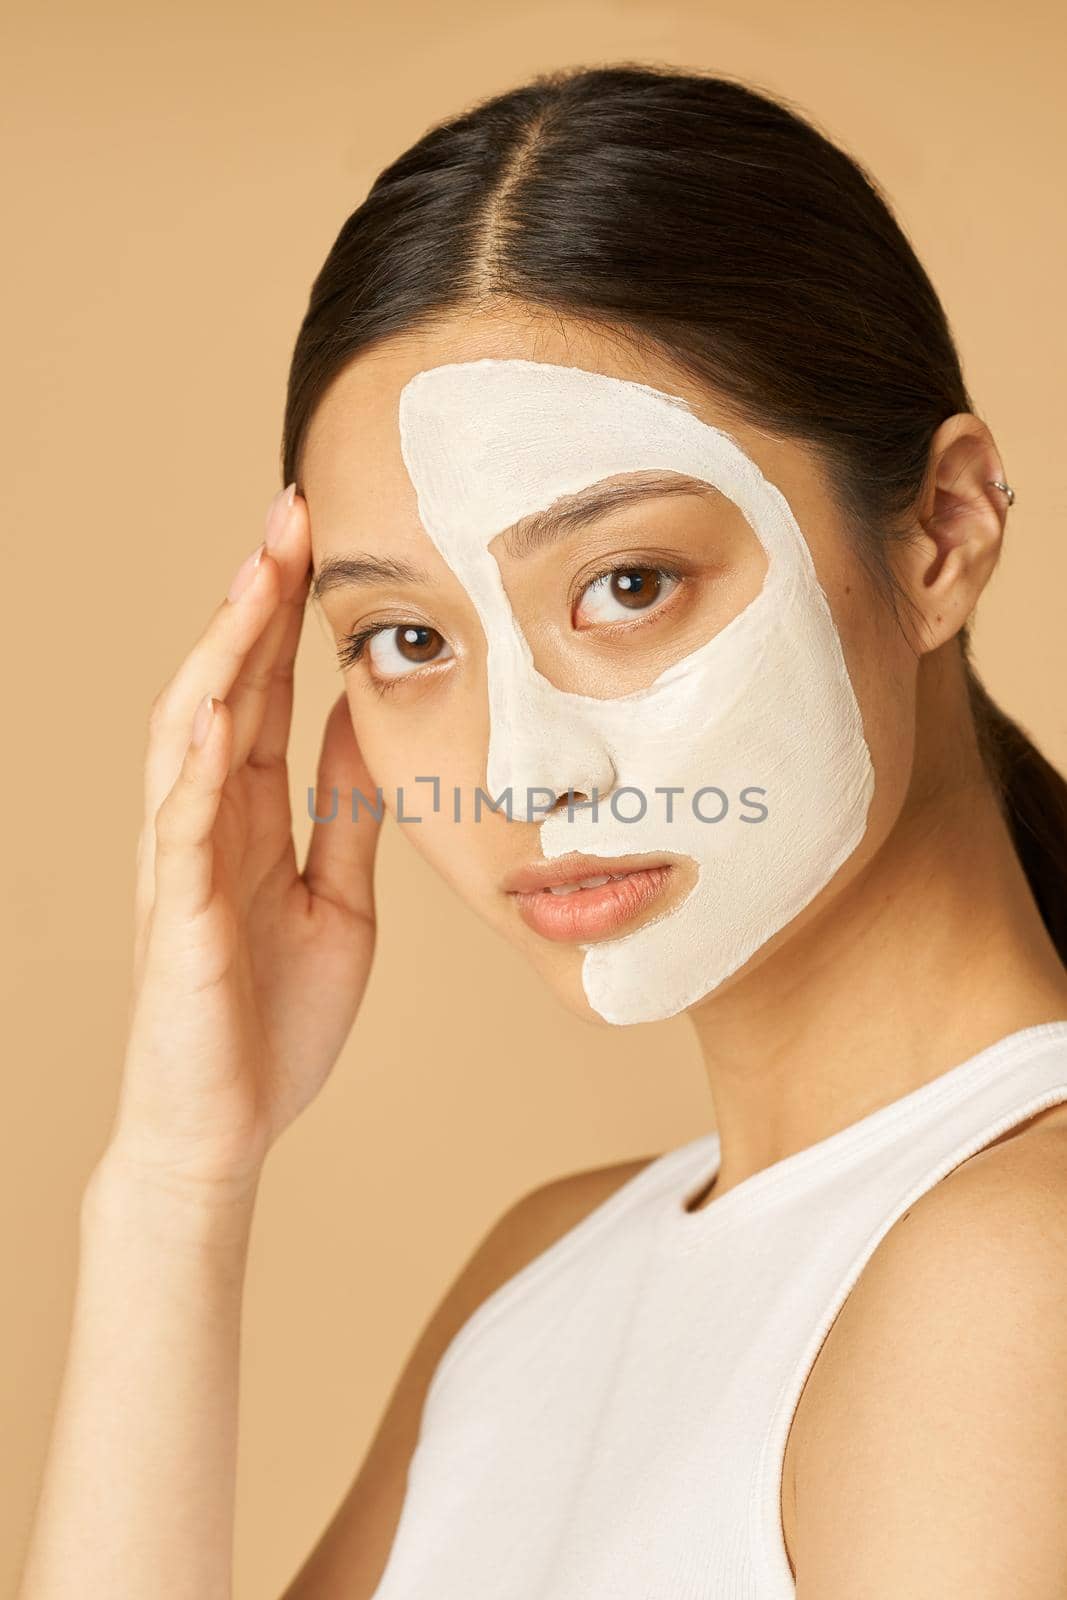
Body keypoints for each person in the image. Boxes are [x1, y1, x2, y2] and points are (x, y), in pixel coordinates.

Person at [17, 62, 1067, 1600]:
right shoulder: (545, 1275)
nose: (517, 775)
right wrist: (179, 1184)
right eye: (407, 640)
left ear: (942, 532)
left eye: (626, 586)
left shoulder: (1016, 1284)